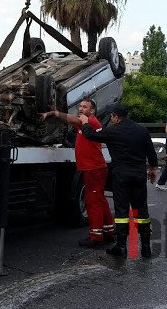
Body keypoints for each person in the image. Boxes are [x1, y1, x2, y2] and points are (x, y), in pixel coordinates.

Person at [80, 103, 158, 258]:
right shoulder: (141, 130)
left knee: (122, 210)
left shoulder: (112, 130)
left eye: (112, 117)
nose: (112, 119)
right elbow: (151, 152)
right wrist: (152, 170)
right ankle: (146, 247)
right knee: (140, 210)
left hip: (121, 176)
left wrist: (85, 122)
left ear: (115, 117)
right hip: (139, 175)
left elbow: (91, 135)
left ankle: (121, 247)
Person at [41, 99, 114, 249]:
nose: (80, 109)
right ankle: (108, 231)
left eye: (84, 107)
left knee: (93, 202)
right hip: (94, 168)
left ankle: (96, 236)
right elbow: (71, 119)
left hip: (94, 169)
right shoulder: (84, 123)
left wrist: (54, 113)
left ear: (92, 111)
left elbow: (72, 119)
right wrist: (56, 112)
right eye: (80, 106)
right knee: (100, 200)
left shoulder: (90, 121)